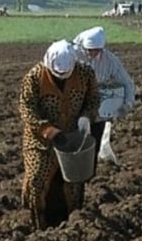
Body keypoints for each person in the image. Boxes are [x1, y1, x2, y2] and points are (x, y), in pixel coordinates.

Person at [19, 40, 99, 229]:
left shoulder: (85, 74)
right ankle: (38, 224)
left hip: (71, 138)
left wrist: (87, 117)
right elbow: (27, 109)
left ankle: (72, 222)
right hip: (40, 140)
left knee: (73, 182)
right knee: (37, 179)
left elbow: (94, 98)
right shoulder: (34, 77)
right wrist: (48, 130)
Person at [73, 26, 136, 165]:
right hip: (76, 103)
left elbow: (126, 82)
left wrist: (127, 103)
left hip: (98, 106)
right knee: (75, 139)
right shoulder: (74, 54)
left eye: (95, 51)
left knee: (94, 140)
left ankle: (90, 168)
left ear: (101, 49)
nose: (91, 53)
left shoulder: (110, 61)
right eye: (89, 50)